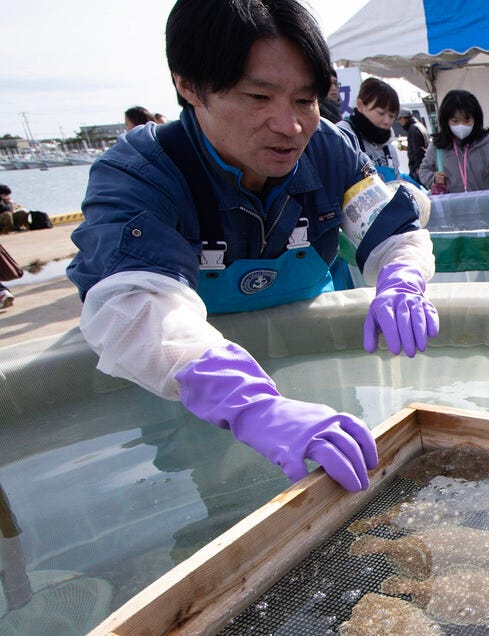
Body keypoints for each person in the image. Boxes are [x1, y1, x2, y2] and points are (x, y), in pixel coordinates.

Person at [66, 0, 440, 493]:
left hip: (322, 389)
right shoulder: (141, 176)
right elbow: (134, 309)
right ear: (188, 84)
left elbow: (392, 232)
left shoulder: (327, 151)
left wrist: (403, 278)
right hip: (197, 404)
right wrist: (256, 408)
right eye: (258, 97)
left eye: (305, 101)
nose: (290, 127)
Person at [419, 89, 489, 193]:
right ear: (446, 121)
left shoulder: (488, 146)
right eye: (455, 121)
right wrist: (434, 178)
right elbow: (423, 170)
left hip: (483, 207)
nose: (461, 125)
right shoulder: (438, 146)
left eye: (467, 120)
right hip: (451, 207)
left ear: (476, 119)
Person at [337, 77, 406, 183]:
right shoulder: (342, 137)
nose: (387, 121)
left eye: (392, 116)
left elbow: (397, 181)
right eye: (381, 113)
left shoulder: (388, 145)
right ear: (360, 105)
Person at [395, 108, 429, 186]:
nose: (400, 123)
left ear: (403, 118)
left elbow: (419, 149)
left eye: (400, 120)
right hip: (423, 164)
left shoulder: (413, 129)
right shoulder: (419, 126)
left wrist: (418, 167)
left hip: (417, 167)